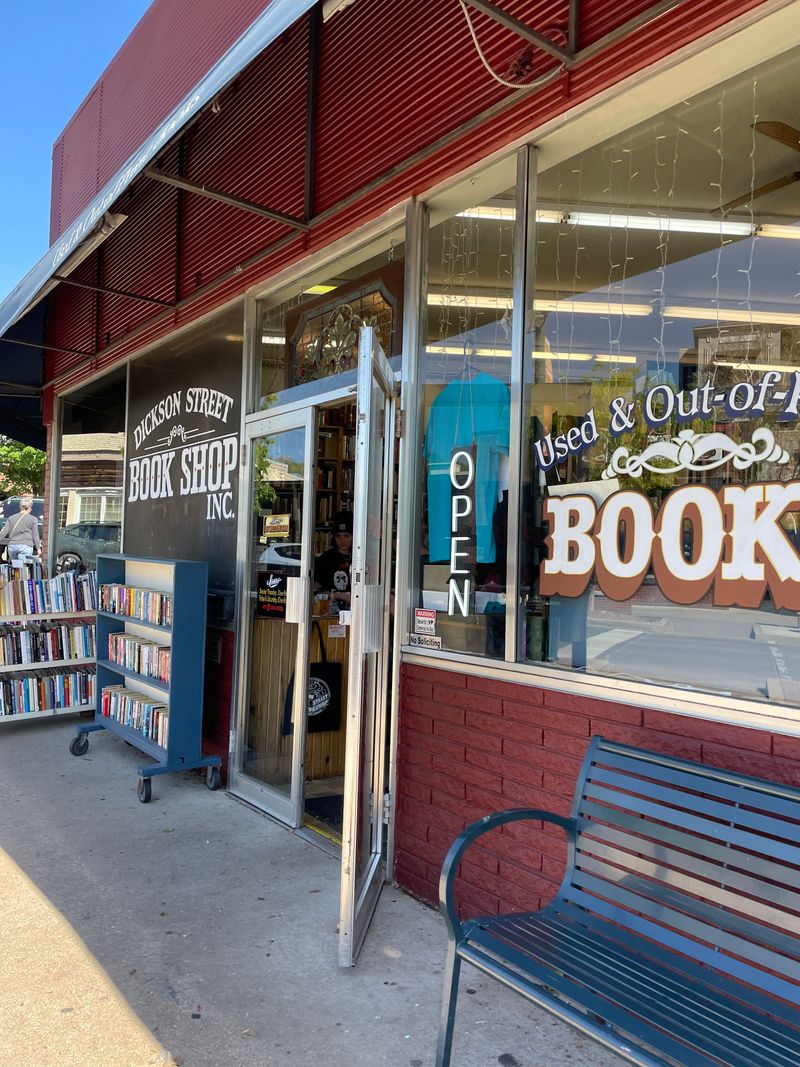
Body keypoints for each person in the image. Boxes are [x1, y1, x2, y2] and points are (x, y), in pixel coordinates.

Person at [314, 510, 352, 611]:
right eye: (338, 536)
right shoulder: (326, 558)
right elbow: (316, 587)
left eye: (346, 536)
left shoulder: (359, 557)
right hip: (331, 609)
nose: (342, 541)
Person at [0, 497, 41, 562]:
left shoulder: (11, 518)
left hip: (12, 546)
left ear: (20, 507)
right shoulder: (33, 519)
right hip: (25, 546)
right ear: (30, 508)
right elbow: (35, 534)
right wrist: (38, 548)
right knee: (23, 568)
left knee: (14, 567)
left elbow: (4, 532)